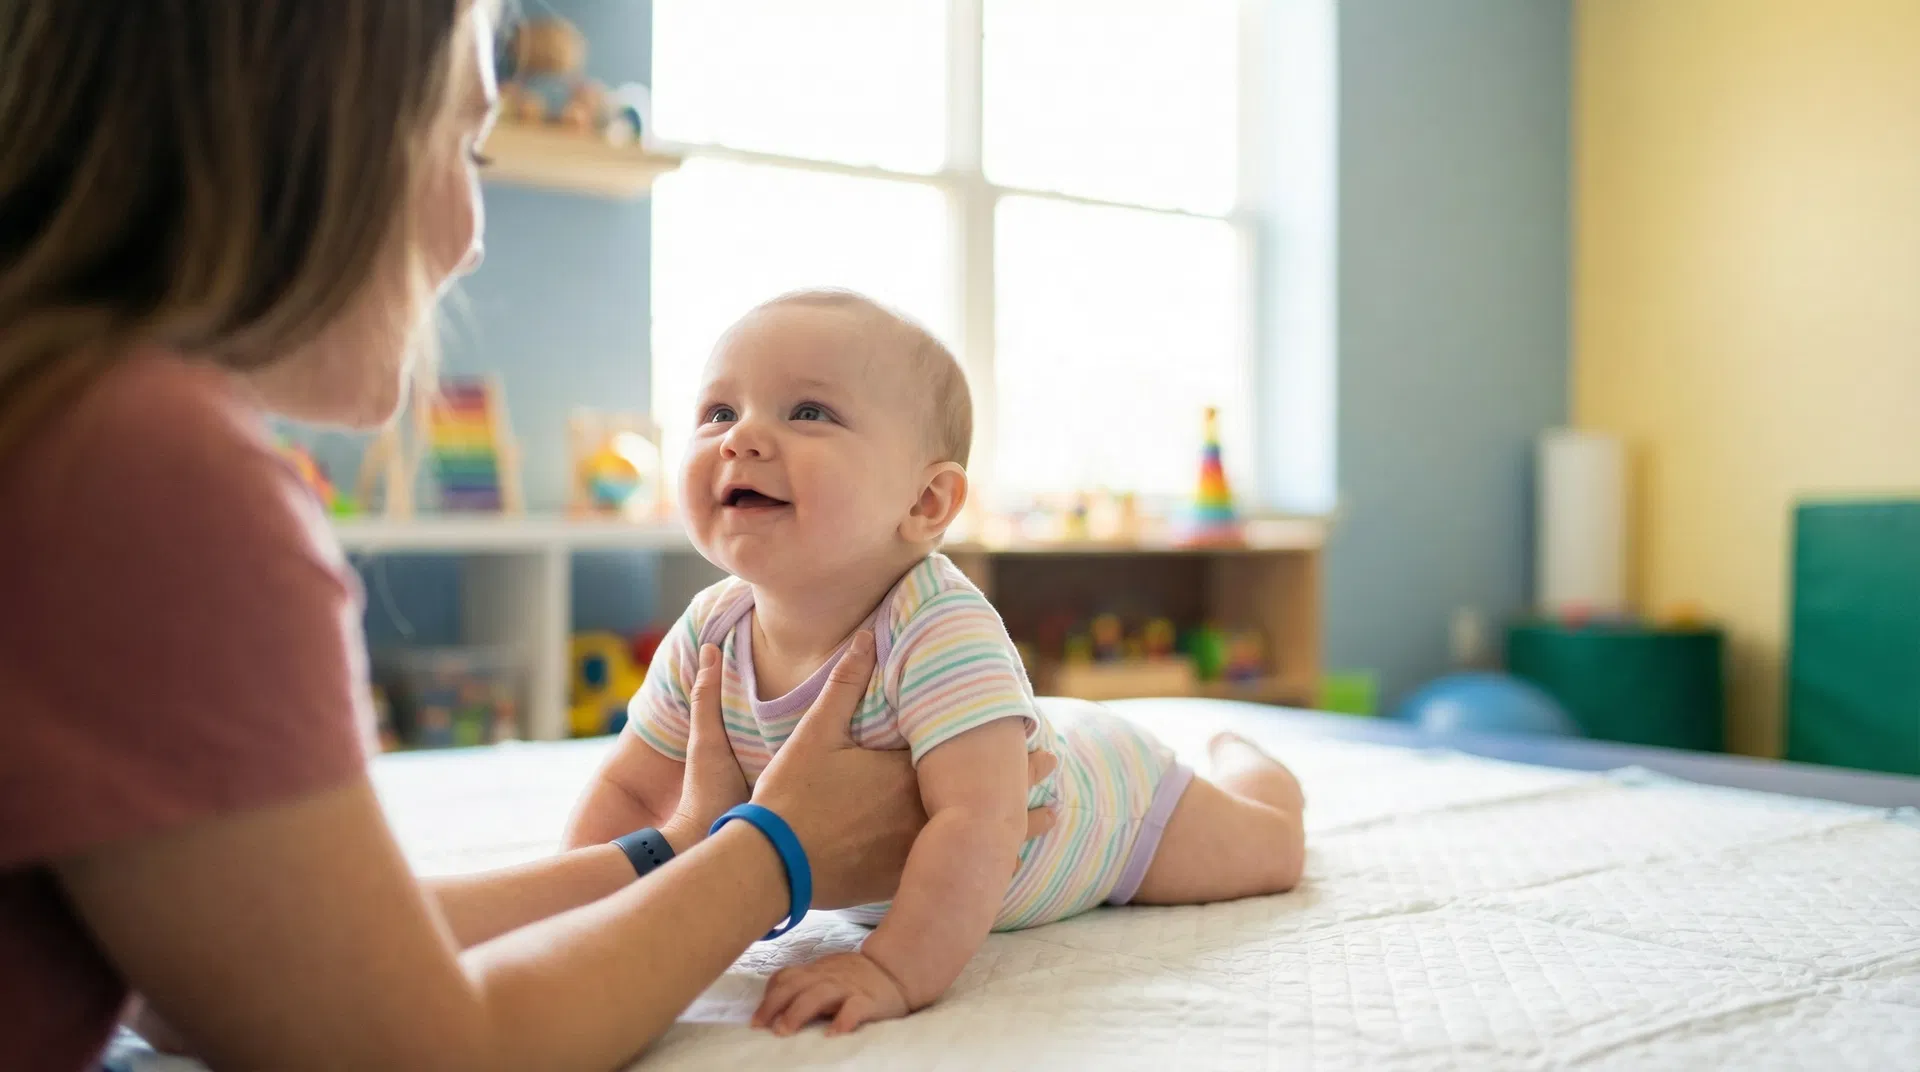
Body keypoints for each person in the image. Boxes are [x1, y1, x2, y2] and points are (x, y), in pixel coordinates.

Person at [0, 5, 1058, 1070]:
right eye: (461, 144)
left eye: (809, 414)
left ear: (931, 501)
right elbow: (420, 1049)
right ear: (299, 128)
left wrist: (677, 852)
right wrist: (773, 850)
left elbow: (207, 977)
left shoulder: (58, 426)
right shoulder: (136, 470)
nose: (472, 235)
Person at [562, 289, 1308, 1037]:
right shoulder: (708, 632)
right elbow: (631, 787)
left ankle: (1253, 768)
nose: (740, 438)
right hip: (1010, 775)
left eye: (808, 413)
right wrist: (573, 914)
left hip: (1109, 813)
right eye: (720, 412)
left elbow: (977, 822)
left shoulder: (933, 622)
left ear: (925, 501)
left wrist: (893, 965)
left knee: (1270, 851)